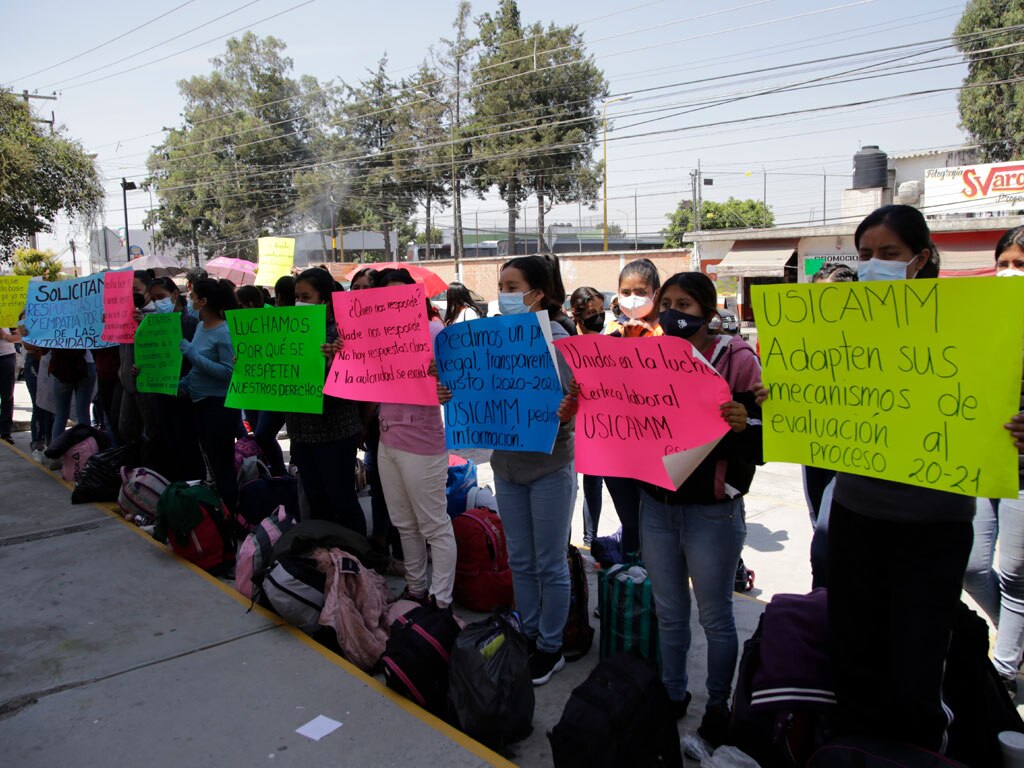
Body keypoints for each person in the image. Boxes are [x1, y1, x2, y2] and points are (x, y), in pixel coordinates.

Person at [803, 204, 988, 750]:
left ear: (922, 259)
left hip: (935, 526)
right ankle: (855, 751)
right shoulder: (843, 328)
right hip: (857, 516)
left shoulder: (968, 324)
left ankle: (913, 753)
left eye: (889, 254)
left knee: (916, 665)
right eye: (864, 256)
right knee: (854, 655)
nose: (873, 265)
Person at [439, 254, 578, 685]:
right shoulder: (491, 337)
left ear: (539, 294)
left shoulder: (559, 340)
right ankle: (529, 629)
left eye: (513, 286)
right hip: (507, 467)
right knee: (520, 558)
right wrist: (450, 391)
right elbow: (477, 389)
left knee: (550, 562)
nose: (505, 294)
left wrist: (568, 410)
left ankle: (550, 647)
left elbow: (575, 406)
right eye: (502, 286)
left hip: (550, 468)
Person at [639, 271, 762, 745]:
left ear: (709, 313)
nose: (673, 312)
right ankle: (672, 695)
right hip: (657, 505)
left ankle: (717, 704)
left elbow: (766, 436)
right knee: (669, 611)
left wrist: (743, 425)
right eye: (666, 301)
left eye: (685, 304)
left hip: (711, 511)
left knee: (714, 616)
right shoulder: (646, 357)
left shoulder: (737, 359)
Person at [964, 224, 1024, 691]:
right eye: (1003, 264)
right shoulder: (982, 323)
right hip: (983, 463)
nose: (1009, 273)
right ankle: (1015, 640)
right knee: (974, 566)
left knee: (1015, 572)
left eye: (1020, 265)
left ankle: (1003, 670)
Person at [371, 268, 454, 606]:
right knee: (404, 524)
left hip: (421, 441)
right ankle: (416, 588)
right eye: (386, 296)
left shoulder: (435, 331)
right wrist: (340, 353)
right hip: (386, 438)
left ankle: (441, 600)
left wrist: (445, 382)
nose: (394, 302)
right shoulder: (372, 337)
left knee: (434, 525)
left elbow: (458, 384)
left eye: (401, 295)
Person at [286, 268, 365, 533]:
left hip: (335, 432)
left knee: (341, 499)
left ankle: (356, 557)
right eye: (296, 296)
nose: (299, 301)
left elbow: (354, 385)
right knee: (316, 500)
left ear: (324, 299)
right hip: (301, 432)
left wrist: (335, 365)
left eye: (305, 296)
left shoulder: (343, 333)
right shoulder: (288, 331)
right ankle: (326, 557)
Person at [605, 258, 664, 561]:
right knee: (631, 522)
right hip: (617, 449)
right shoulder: (610, 334)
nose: (632, 298)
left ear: (656, 292)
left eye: (640, 290)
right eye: (625, 292)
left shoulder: (668, 336)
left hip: (658, 449)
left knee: (655, 526)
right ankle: (632, 590)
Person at [803, 261, 858, 587]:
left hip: (854, 451)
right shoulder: (803, 338)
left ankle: (825, 598)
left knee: (824, 548)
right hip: (814, 446)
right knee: (818, 525)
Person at [179, 278, 239, 511]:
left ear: (204, 301)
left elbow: (228, 372)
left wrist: (192, 354)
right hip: (200, 404)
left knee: (222, 466)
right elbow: (198, 369)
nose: (189, 301)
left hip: (219, 407)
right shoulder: (200, 328)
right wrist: (182, 384)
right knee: (212, 464)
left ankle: (230, 514)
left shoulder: (224, 332)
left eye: (192, 297)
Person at [569, 286, 607, 546]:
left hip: (598, 427)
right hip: (570, 426)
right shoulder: (567, 341)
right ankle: (565, 542)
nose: (599, 317)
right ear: (577, 314)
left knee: (594, 485)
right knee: (569, 488)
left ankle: (589, 540)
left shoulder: (608, 342)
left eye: (601, 311)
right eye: (592, 312)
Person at [0, 325, 19, 444]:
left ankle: (6, 432)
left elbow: (19, 337)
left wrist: (6, 336)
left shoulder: (9, 316)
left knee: (7, 395)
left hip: (6, 357)